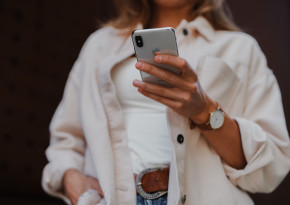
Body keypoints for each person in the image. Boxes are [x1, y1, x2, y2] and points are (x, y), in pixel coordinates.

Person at [42, 0, 290, 204]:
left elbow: (271, 166)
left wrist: (204, 111)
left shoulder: (240, 48)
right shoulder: (99, 45)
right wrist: (70, 177)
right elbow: (66, 137)